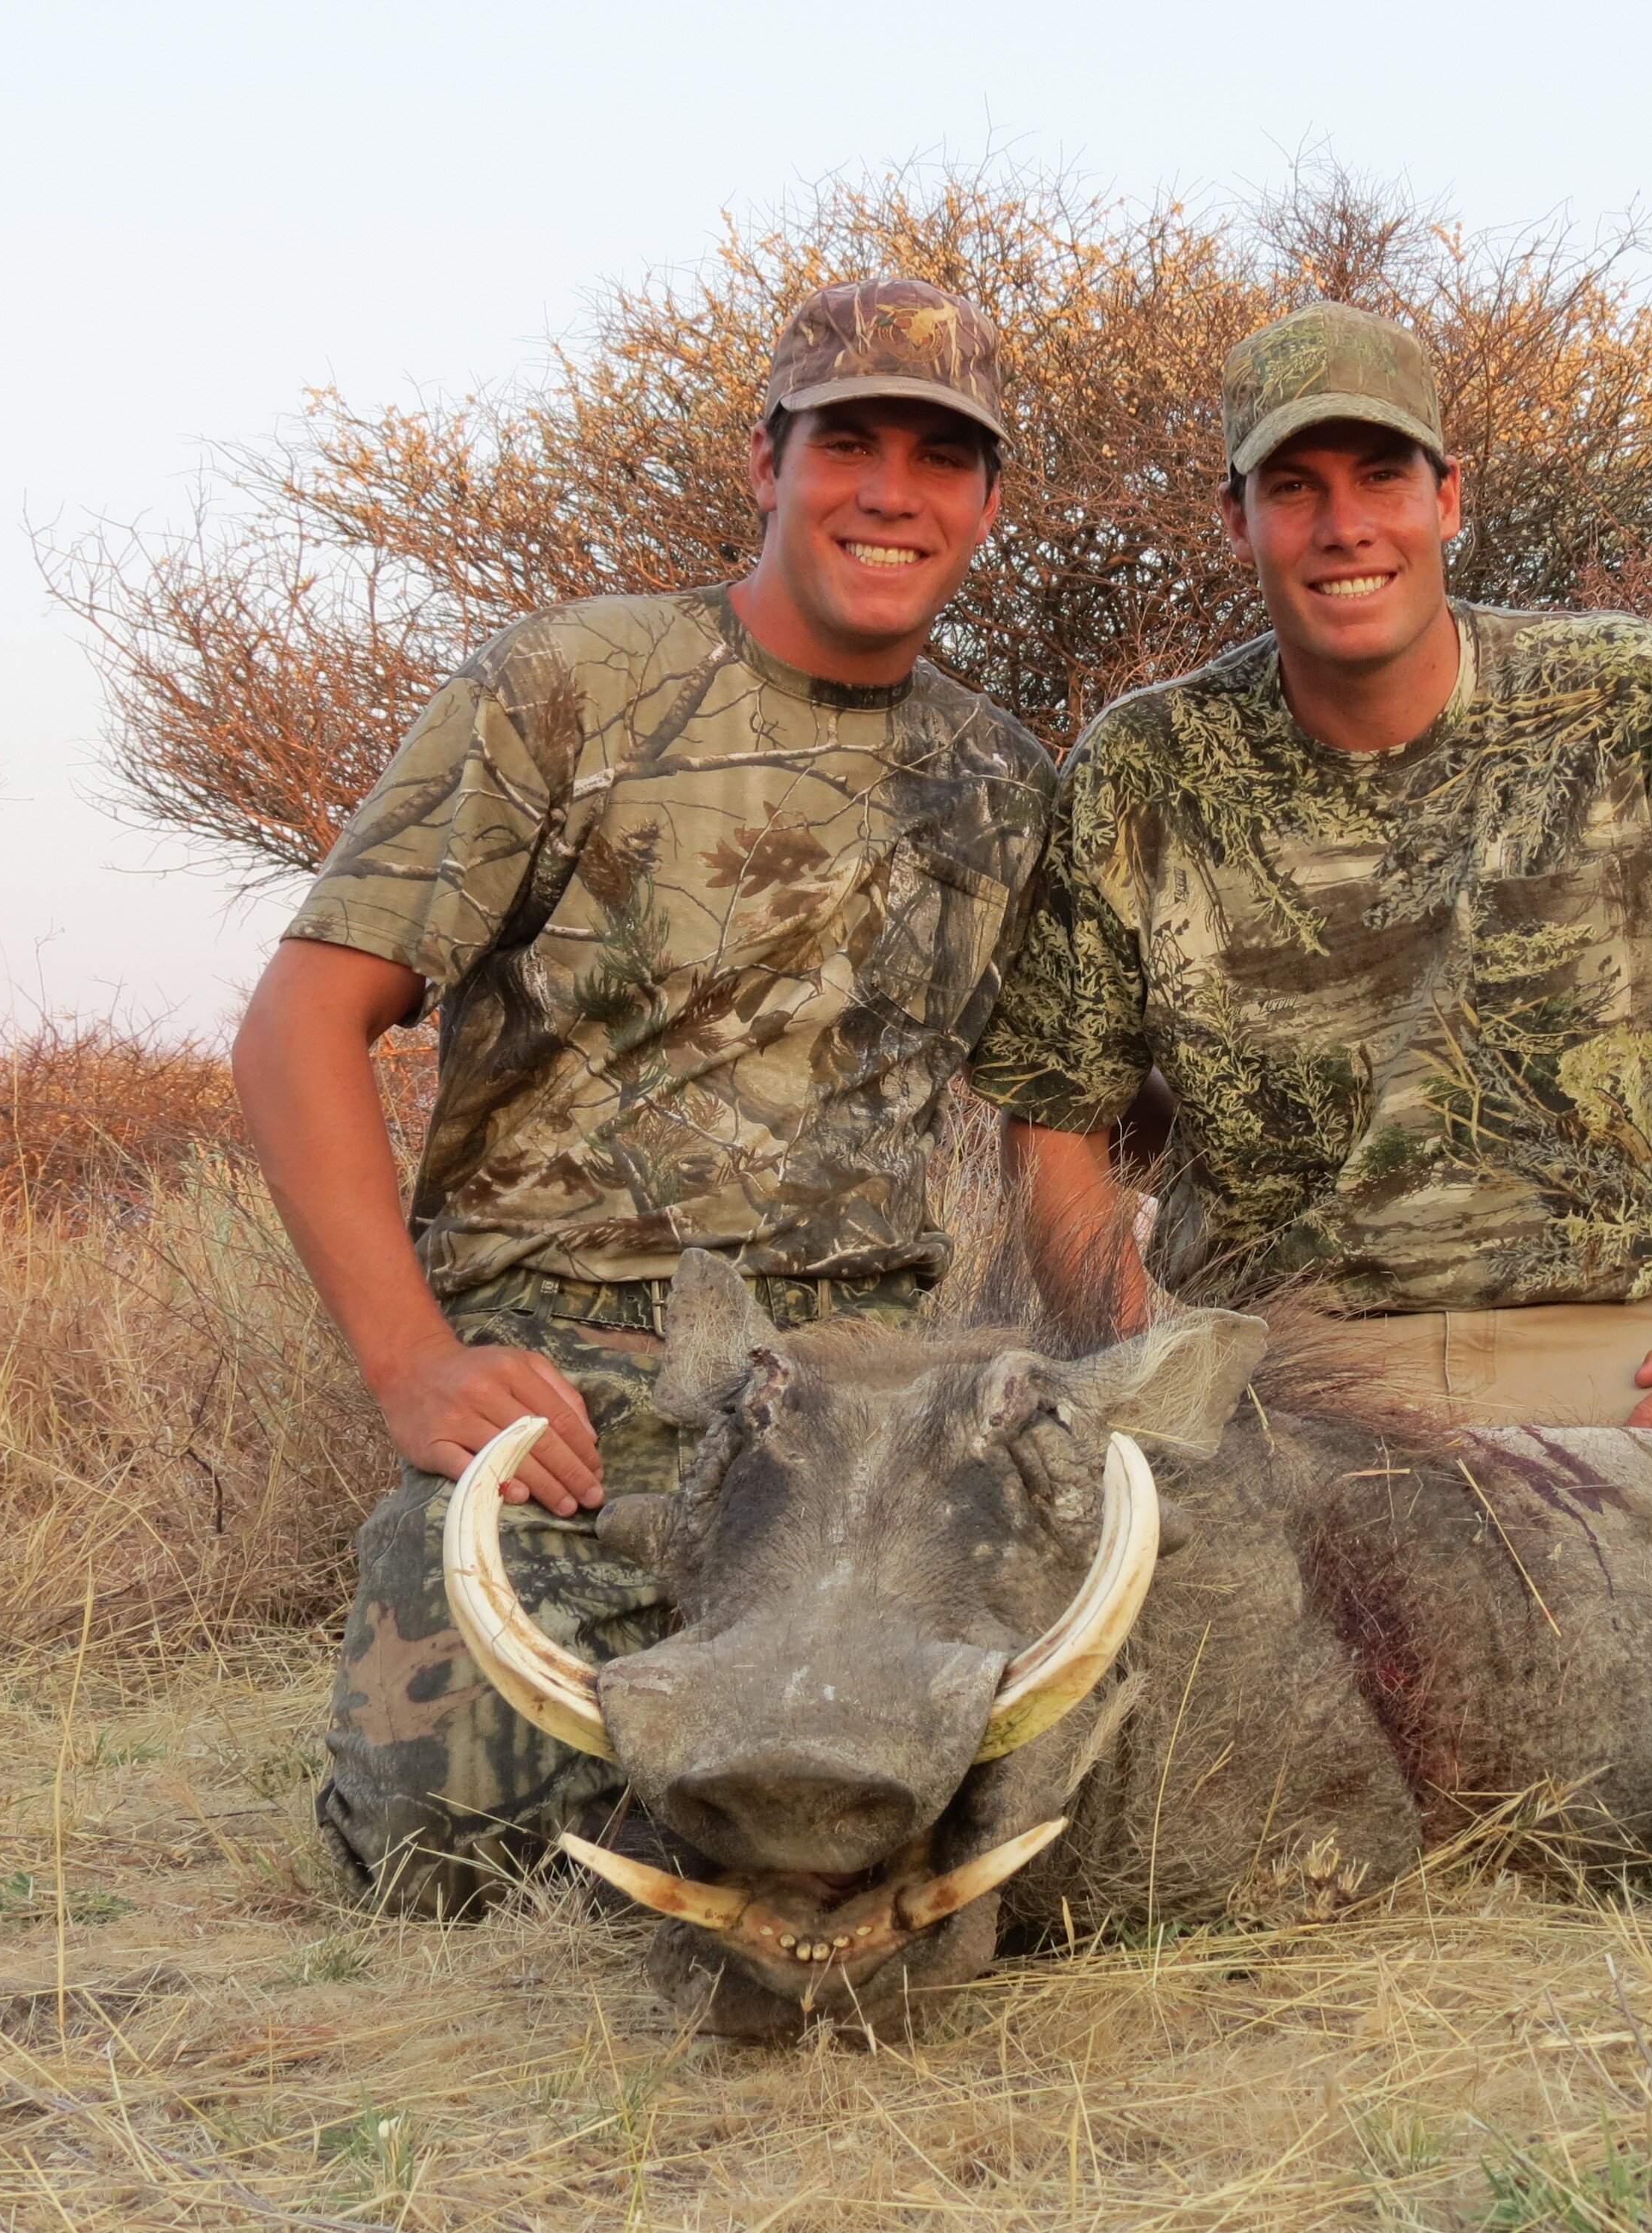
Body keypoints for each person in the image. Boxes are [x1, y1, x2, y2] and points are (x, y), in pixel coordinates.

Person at [234, 278, 1054, 1914]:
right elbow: (300, 1028)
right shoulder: (571, 682)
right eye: (848, 442)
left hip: (859, 1402)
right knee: (454, 1852)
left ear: (983, 503)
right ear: (766, 462)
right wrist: (415, 1363)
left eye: (941, 458)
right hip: (579, 1381)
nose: (892, 490)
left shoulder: (1008, 778)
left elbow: (1067, 1119)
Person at [970, 301, 1652, 1434]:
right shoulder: (1145, 764)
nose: (1345, 525)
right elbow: (1057, 1113)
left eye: (1383, 478)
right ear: (1236, 522)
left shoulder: (1630, 694)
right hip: (1281, 1375)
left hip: (1601, 1363)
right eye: (1294, 486)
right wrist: (1144, 1375)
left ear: (1446, 499)